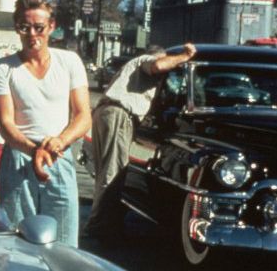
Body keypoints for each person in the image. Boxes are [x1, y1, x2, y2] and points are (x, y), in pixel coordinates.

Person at [0, 0, 91, 247]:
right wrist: (35, 151)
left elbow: (83, 116)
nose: (32, 34)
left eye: (39, 27)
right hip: (19, 159)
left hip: (59, 156)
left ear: (52, 27)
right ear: (16, 28)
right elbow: (7, 126)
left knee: (65, 244)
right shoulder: (2, 69)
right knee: (17, 241)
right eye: (24, 26)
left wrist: (59, 142)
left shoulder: (69, 62)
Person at [84, 43, 197, 238]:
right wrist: (185, 56)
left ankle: (104, 221)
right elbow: (159, 66)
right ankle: (100, 227)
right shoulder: (146, 61)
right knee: (113, 173)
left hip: (106, 112)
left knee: (105, 172)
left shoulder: (134, 69)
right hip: (119, 114)